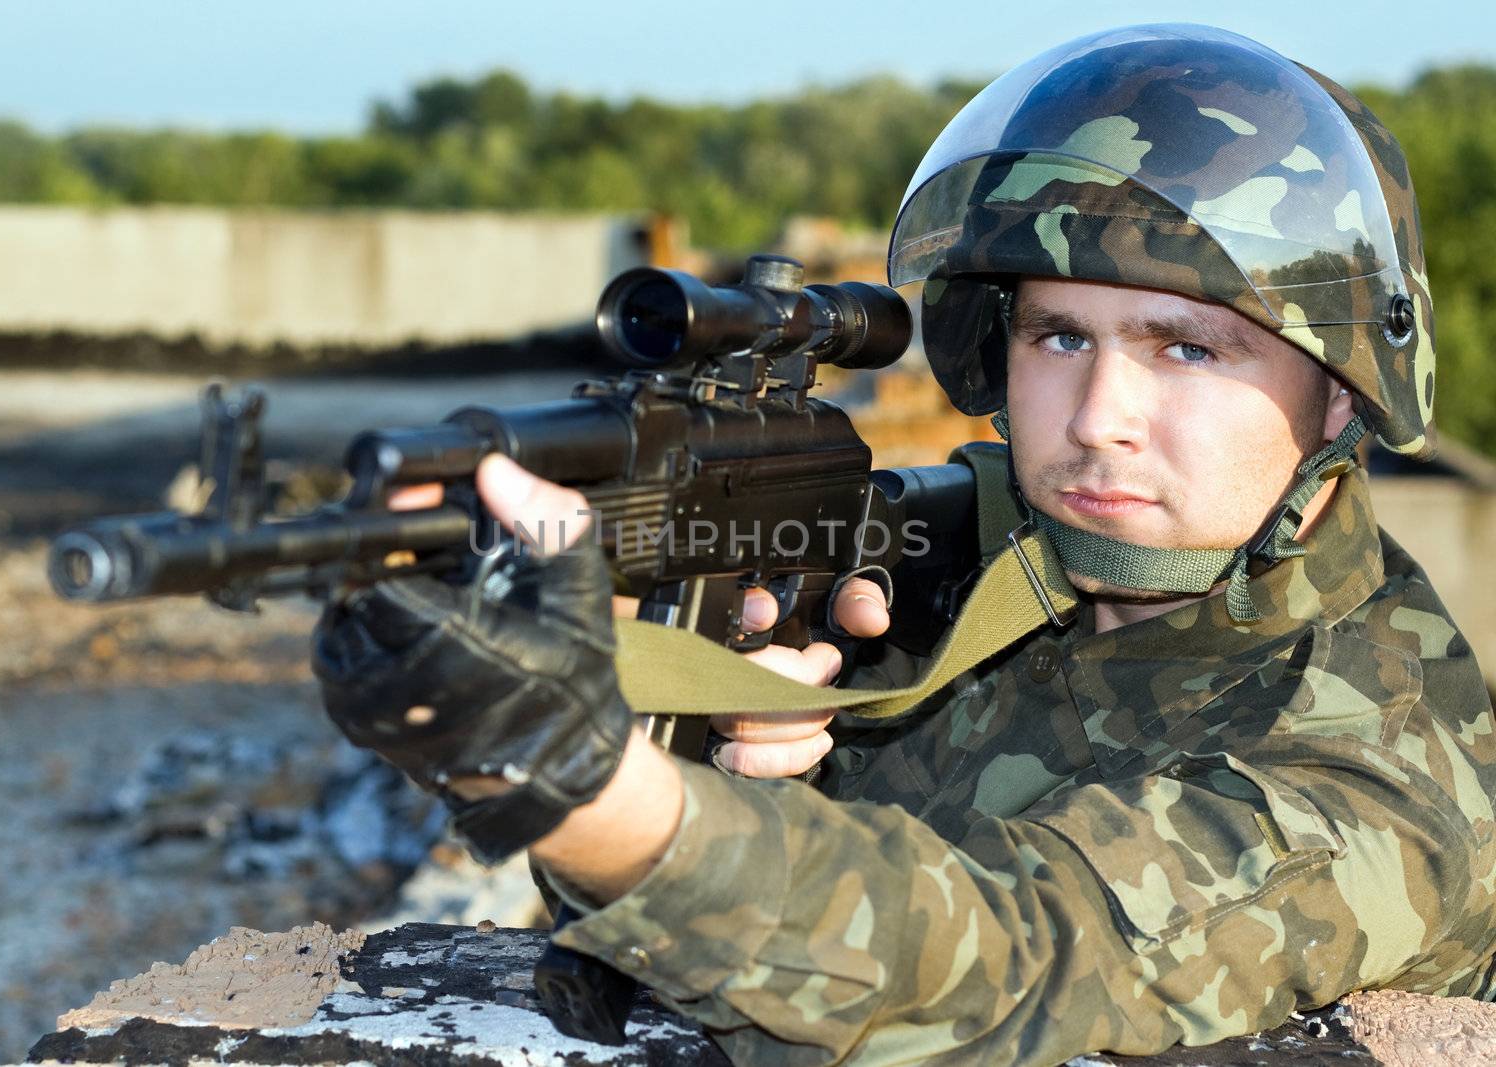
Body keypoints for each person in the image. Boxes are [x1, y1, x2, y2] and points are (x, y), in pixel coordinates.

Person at [311, 24, 1496, 1066]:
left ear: (1342, 393)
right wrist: (687, 720)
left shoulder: (1378, 777)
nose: (1096, 420)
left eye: (1185, 348)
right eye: (1057, 338)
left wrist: (597, 793)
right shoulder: (967, 556)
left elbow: (1006, 958)